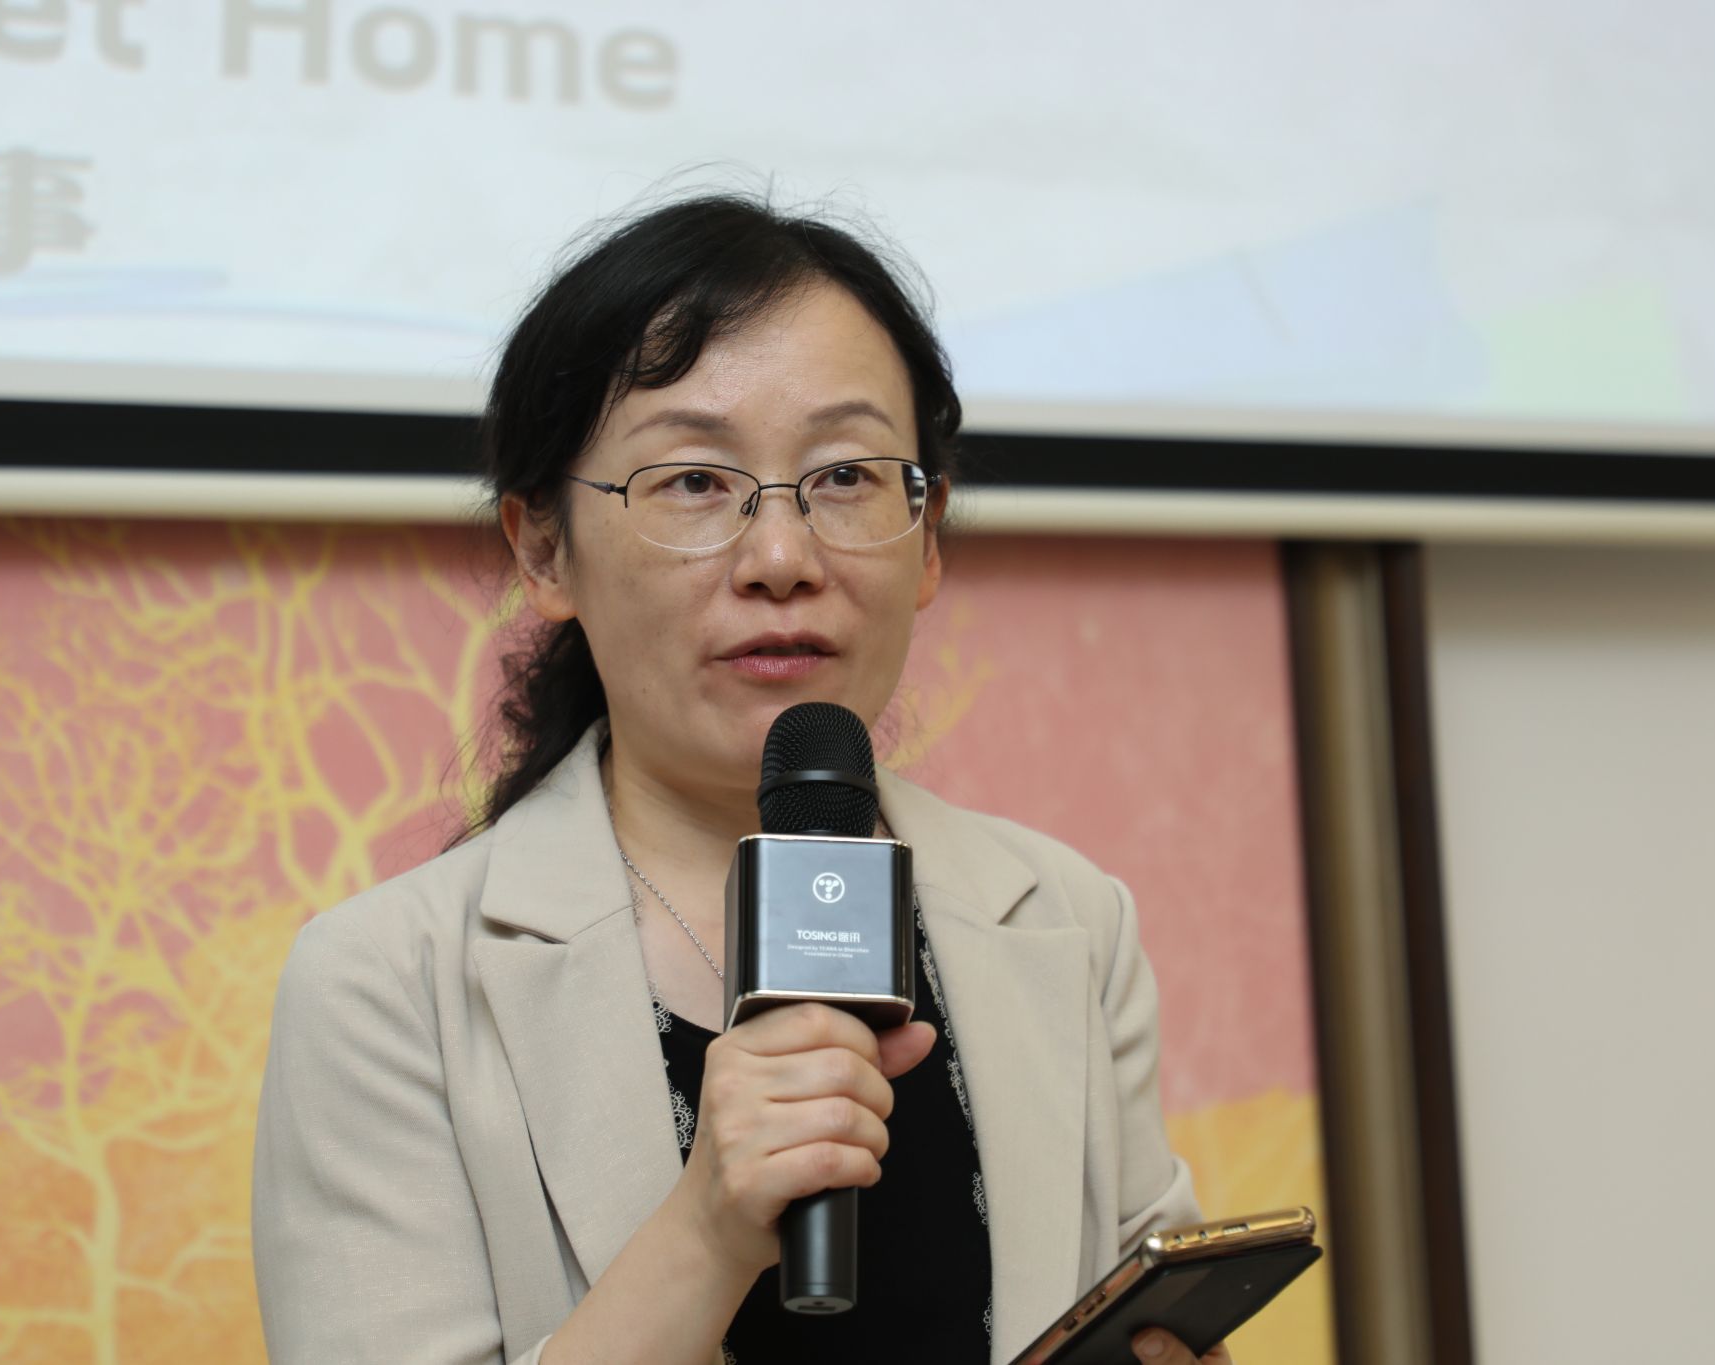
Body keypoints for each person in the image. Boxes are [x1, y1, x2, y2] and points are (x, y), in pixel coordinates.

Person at [251, 194, 1225, 1365]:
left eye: (845, 475)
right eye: (693, 483)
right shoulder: (387, 989)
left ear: (927, 538)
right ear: (544, 550)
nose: (779, 558)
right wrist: (706, 1230)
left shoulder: (1065, 920)